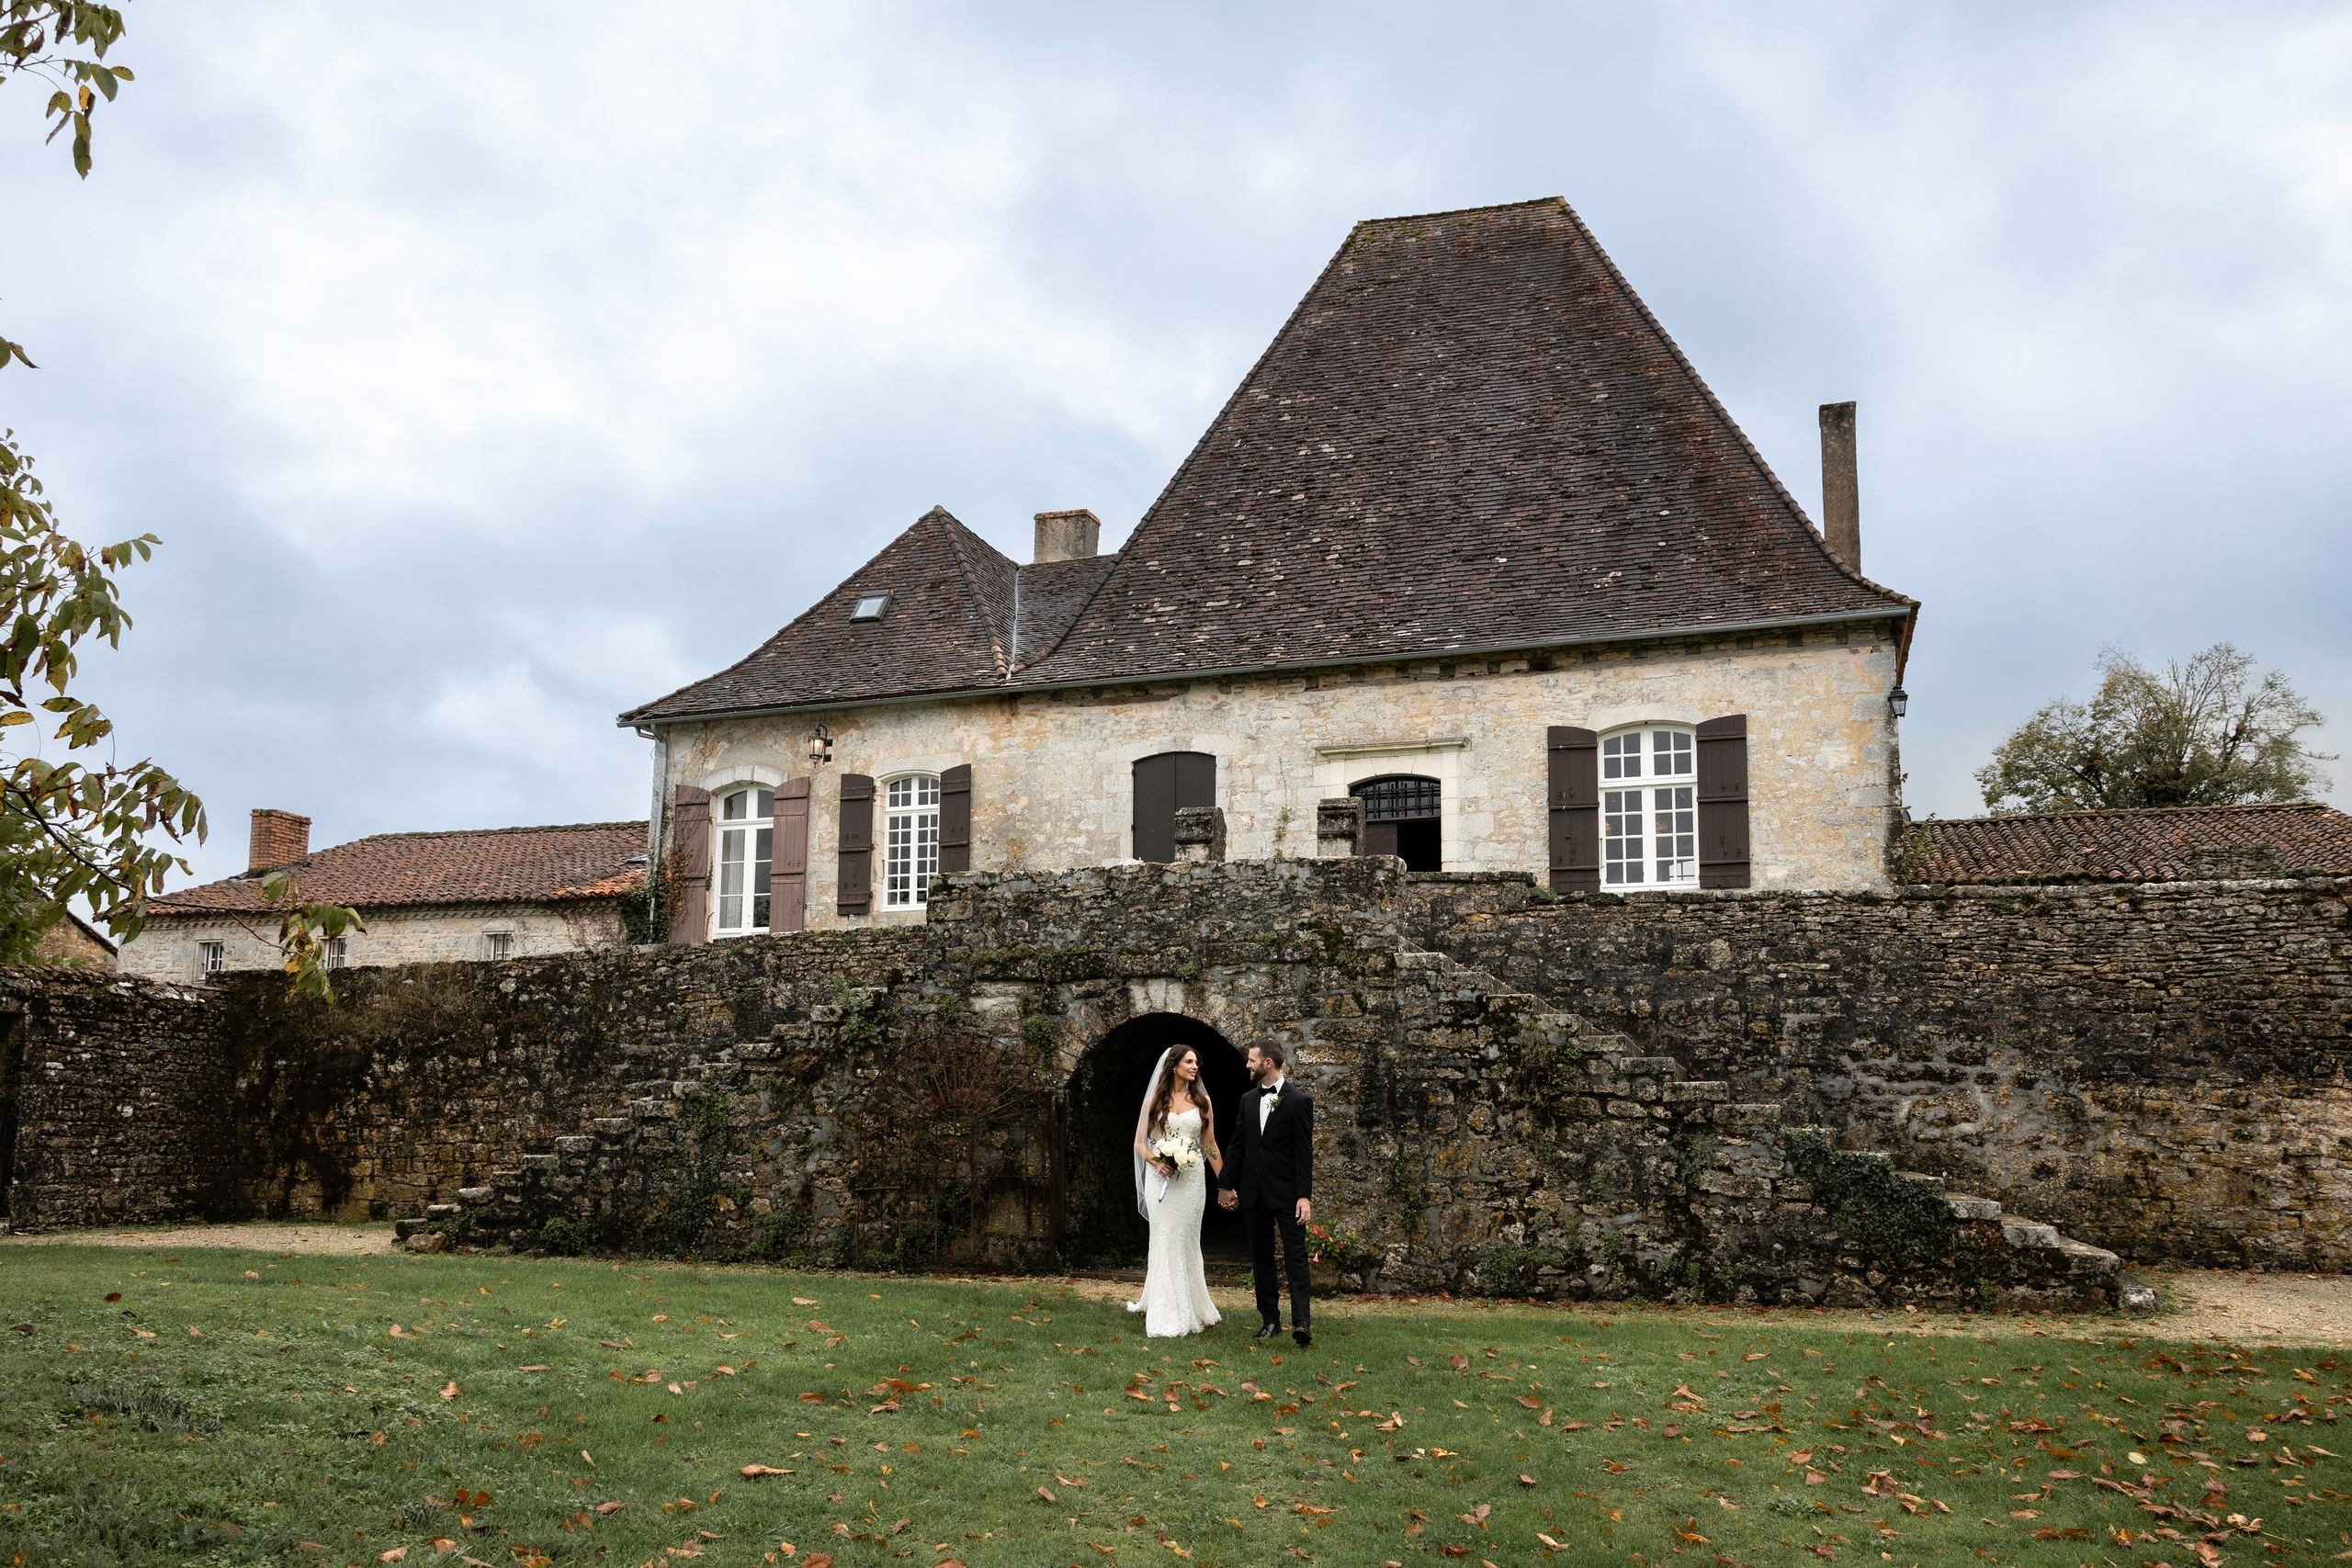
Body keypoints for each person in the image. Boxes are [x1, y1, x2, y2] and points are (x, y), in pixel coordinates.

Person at [1217, 1037, 1314, 1347]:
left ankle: (1301, 1322)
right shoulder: (1247, 1099)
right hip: (1253, 1193)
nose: (1247, 1064)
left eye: (1251, 1060)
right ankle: (1270, 1319)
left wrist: (1304, 1196)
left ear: (1267, 1063)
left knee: (1296, 1256)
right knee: (1261, 1257)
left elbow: (1304, 1153)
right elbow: (1237, 1145)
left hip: (1287, 1195)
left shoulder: (1299, 1101)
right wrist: (1225, 1185)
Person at [1125, 1044, 1224, 1337]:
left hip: (1192, 1180)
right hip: (1161, 1182)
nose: (1195, 1067)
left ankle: (1193, 1304)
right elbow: (1139, 1143)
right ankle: (1168, 1311)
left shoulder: (1203, 1101)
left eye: (1196, 1063)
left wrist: (1226, 1182)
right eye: (1189, 1062)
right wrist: (1158, 1162)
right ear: (1173, 1066)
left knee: (1187, 1240)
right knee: (1166, 1237)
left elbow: (1209, 1144)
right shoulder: (1155, 1100)